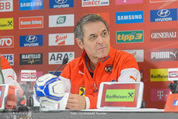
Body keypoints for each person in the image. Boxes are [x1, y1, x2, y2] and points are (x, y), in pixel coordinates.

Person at [59, 14, 141, 110]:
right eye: (93, 37)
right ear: (80, 43)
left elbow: (127, 97)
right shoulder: (72, 67)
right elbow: (57, 98)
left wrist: (88, 103)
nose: (101, 41)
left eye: (104, 34)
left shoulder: (125, 60)